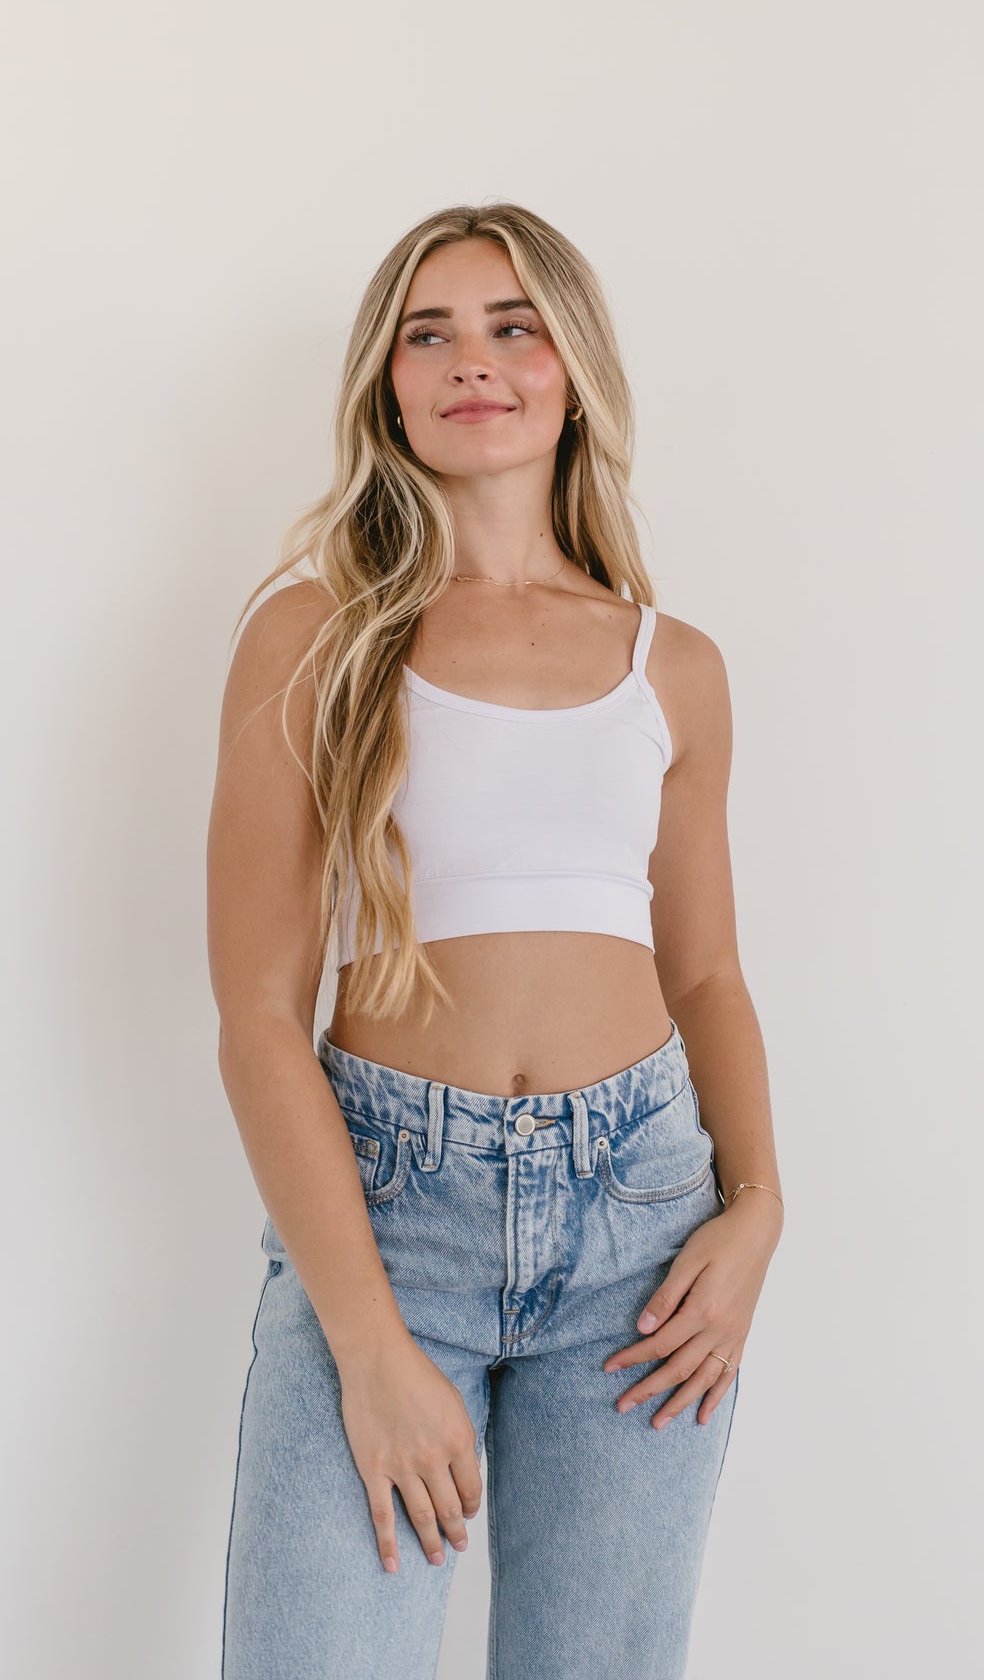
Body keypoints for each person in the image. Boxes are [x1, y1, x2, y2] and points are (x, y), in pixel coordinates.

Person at [206, 202, 784, 1678]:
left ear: (570, 369)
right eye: (430, 332)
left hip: (640, 1234)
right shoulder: (314, 634)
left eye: (512, 325)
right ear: (387, 385)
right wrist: (363, 1339)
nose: (474, 361)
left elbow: (705, 971)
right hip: (391, 1216)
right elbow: (260, 1013)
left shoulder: (675, 664)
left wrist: (757, 1205)